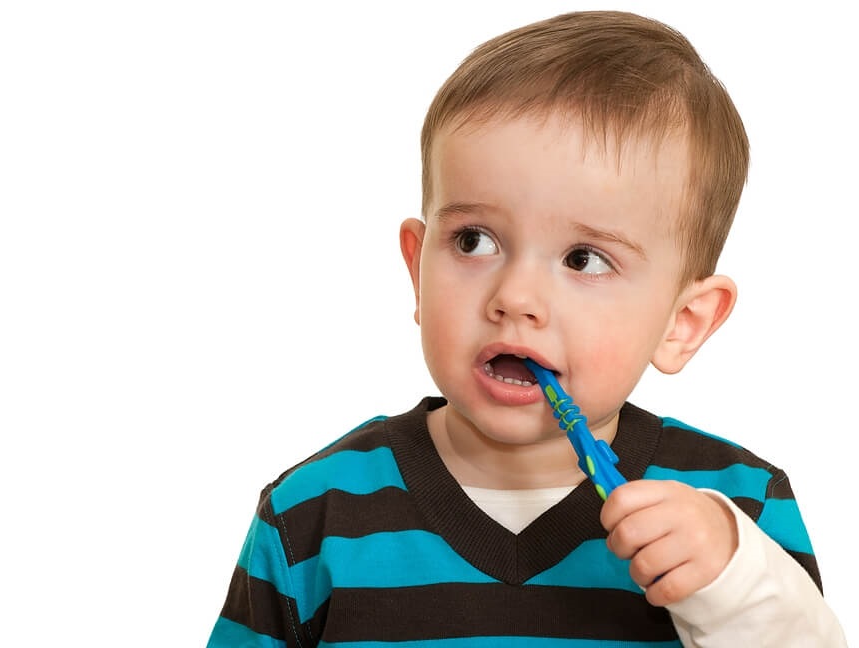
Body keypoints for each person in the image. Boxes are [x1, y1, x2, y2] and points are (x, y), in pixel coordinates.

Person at [206, 10, 846, 646]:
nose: (515, 297)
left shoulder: (743, 508)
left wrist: (735, 588)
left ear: (682, 323)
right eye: (474, 240)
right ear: (416, 270)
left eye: (584, 260)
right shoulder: (313, 514)